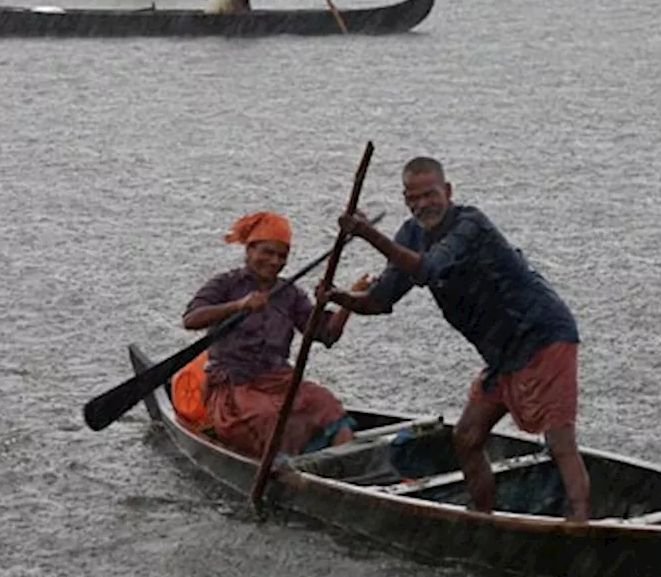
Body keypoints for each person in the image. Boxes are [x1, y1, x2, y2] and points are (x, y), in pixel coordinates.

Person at [319, 157, 592, 521]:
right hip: (501, 354)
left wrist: (367, 233)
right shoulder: (411, 234)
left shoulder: (470, 225)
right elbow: (380, 301)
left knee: (559, 441)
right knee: (465, 438)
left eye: (430, 195)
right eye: (413, 199)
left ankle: (582, 525)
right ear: (405, 199)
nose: (422, 205)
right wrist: (338, 296)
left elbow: (428, 268)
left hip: (543, 337)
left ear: (447, 192)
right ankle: (482, 520)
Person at [182, 211, 367, 459]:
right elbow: (191, 319)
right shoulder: (226, 284)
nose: (274, 261)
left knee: (326, 402)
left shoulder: (289, 293)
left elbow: (326, 334)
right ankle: (286, 471)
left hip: (279, 380)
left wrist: (348, 301)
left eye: (282, 256)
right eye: (267, 253)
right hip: (235, 384)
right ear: (249, 250)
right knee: (267, 416)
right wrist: (238, 306)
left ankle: (343, 465)